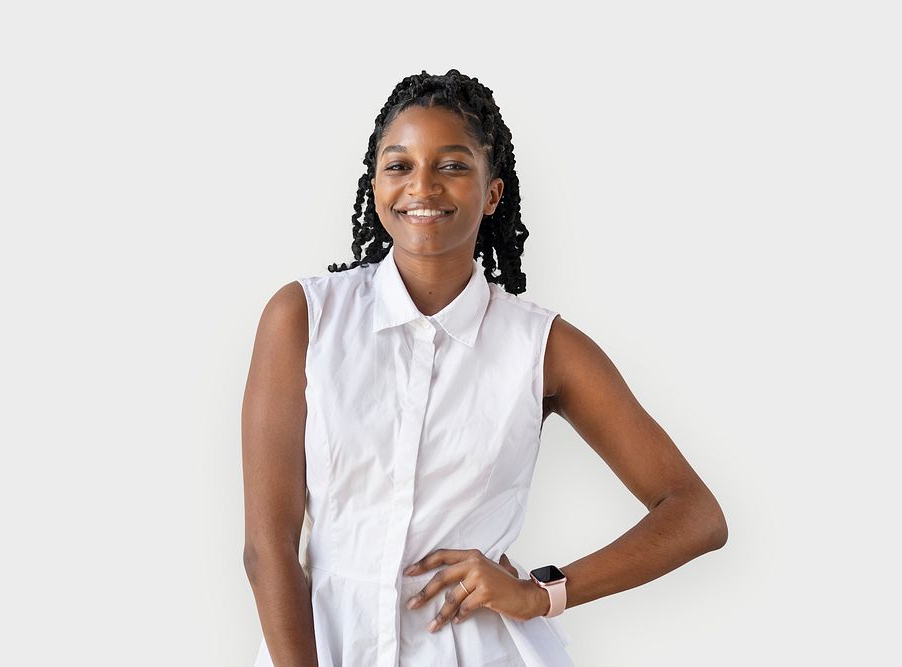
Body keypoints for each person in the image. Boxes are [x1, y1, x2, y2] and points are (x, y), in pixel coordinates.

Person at [242, 69, 728, 667]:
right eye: (399, 166)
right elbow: (268, 548)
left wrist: (542, 593)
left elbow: (695, 512)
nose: (423, 186)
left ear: (492, 192)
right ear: (376, 186)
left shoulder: (543, 347)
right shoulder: (303, 319)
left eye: (452, 165)